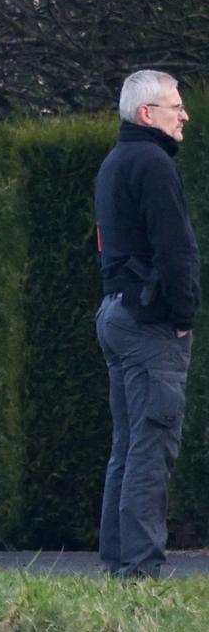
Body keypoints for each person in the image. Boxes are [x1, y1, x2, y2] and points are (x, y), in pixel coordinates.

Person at [94, 70, 200, 578]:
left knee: (128, 446)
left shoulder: (115, 161)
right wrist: (182, 316)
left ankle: (119, 565)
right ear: (146, 114)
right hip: (149, 324)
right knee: (151, 449)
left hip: (117, 313)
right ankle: (138, 574)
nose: (185, 115)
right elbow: (175, 249)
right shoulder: (154, 164)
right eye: (174, 106)